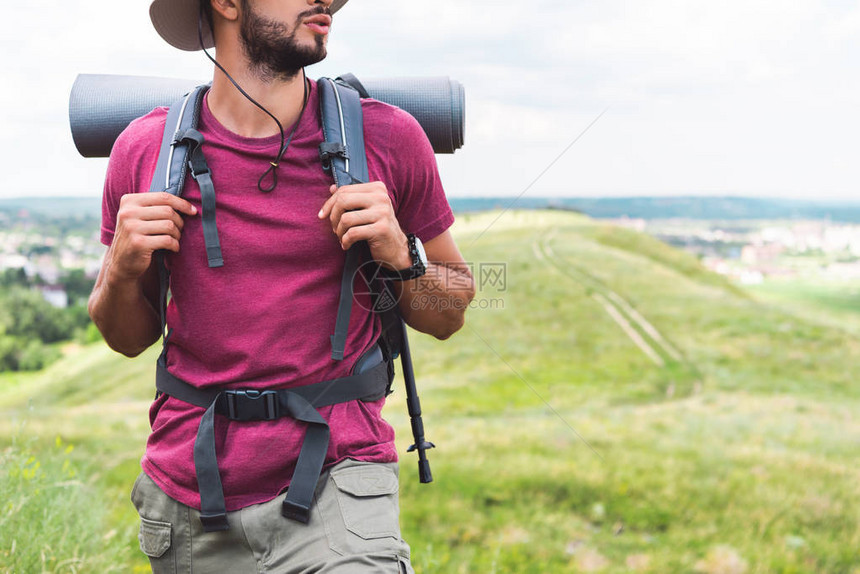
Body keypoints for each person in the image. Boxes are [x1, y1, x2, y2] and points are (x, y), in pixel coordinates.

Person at [87, 0, 475, 571]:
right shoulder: (144, 151)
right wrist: (120, 269)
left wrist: (402, 256)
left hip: (340, 479)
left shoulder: (388, 137)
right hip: (191, 494)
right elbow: (125, 337)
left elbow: (451, 311)